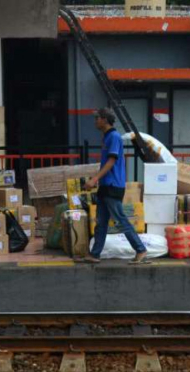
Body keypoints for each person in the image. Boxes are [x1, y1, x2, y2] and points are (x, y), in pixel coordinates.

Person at [83, 108, 150, 265]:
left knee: (120, 220)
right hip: (106, 185)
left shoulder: (113, 137)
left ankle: (140, 250)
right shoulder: (107, 137)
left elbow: (111, 161)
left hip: (113, 185)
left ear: (105, 120)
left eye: (97, 118)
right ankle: (95, 254)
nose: (95, 121)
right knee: (101, 222)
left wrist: (94, 179)